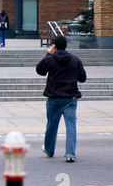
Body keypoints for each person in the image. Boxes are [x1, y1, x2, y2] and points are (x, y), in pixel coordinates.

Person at [36, 35, 87, 163]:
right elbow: (82, 78)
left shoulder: (51, 59)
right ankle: (70, 153)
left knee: (52, 124)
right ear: (66, 46)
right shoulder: (75, 60)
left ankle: (49, 149)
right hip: (70, 97)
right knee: (71, 125)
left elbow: (40, 70)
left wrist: (48, 54)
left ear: (55, 46)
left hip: (54, 97)